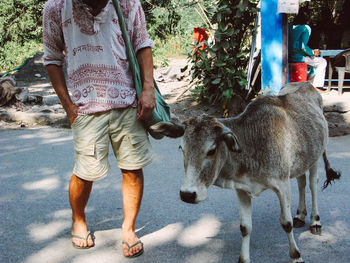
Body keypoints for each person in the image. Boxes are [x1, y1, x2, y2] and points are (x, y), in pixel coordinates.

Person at [43, 0, 155, 258]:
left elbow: (142, 43)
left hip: (128, 102)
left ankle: (128, 228)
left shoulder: (128, 3)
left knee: (132, 168)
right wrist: (68, 106)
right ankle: (78, 219)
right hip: (85, 107)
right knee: (85, 173)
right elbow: (52, 59)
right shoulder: (56, 7)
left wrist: (147, 89)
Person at [289, 7, 327, 92]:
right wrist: (312, 52)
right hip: (298, 58)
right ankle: (318, 85)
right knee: (322, 61)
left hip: (289, 56)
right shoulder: (305, 28)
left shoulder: (290, 26)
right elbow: (302, 46)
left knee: (312, 62)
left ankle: (310, 84)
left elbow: (296, 44)